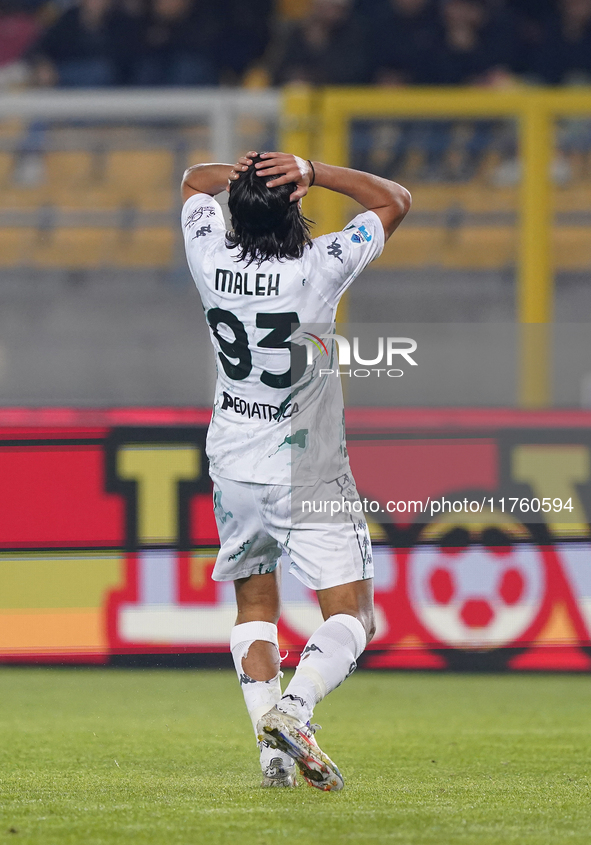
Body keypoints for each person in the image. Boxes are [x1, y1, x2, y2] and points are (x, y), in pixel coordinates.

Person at [181, 151, 410, 789]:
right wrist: (309, 168)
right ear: (295, 205)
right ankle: (296, 710)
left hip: (232, 457)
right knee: (354, 617)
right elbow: (394, 200)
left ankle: (272, 757)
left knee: (255, 605)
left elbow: (192, 180)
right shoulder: (320, 266)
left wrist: (246, 176)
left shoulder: (208, 257)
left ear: (235, 211)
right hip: (305, 464)